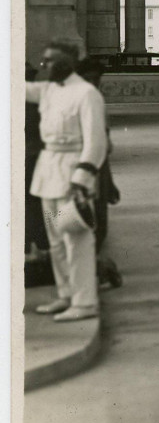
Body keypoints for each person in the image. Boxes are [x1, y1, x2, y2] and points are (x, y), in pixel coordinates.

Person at [26, 41, 107, 321]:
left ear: (67, 63)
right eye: (44, 60)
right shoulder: (48, 90)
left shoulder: (86, 93)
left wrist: (82, 179)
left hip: (71, 175)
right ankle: (66, 295)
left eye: (49, 61)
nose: (43, 65)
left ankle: (84, 302)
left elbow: (96, 142)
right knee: (56, 242)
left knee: (75, 239)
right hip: (48, 172)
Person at [77, 56, 123, 291]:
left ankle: (95, 270)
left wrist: (109, 182)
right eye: (90, 79)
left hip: (95, 176)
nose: (94, 84)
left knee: (98, 227)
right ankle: (96, 271)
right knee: (72, 228)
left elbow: (103, 147)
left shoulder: (95, 102)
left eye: (97, 80)